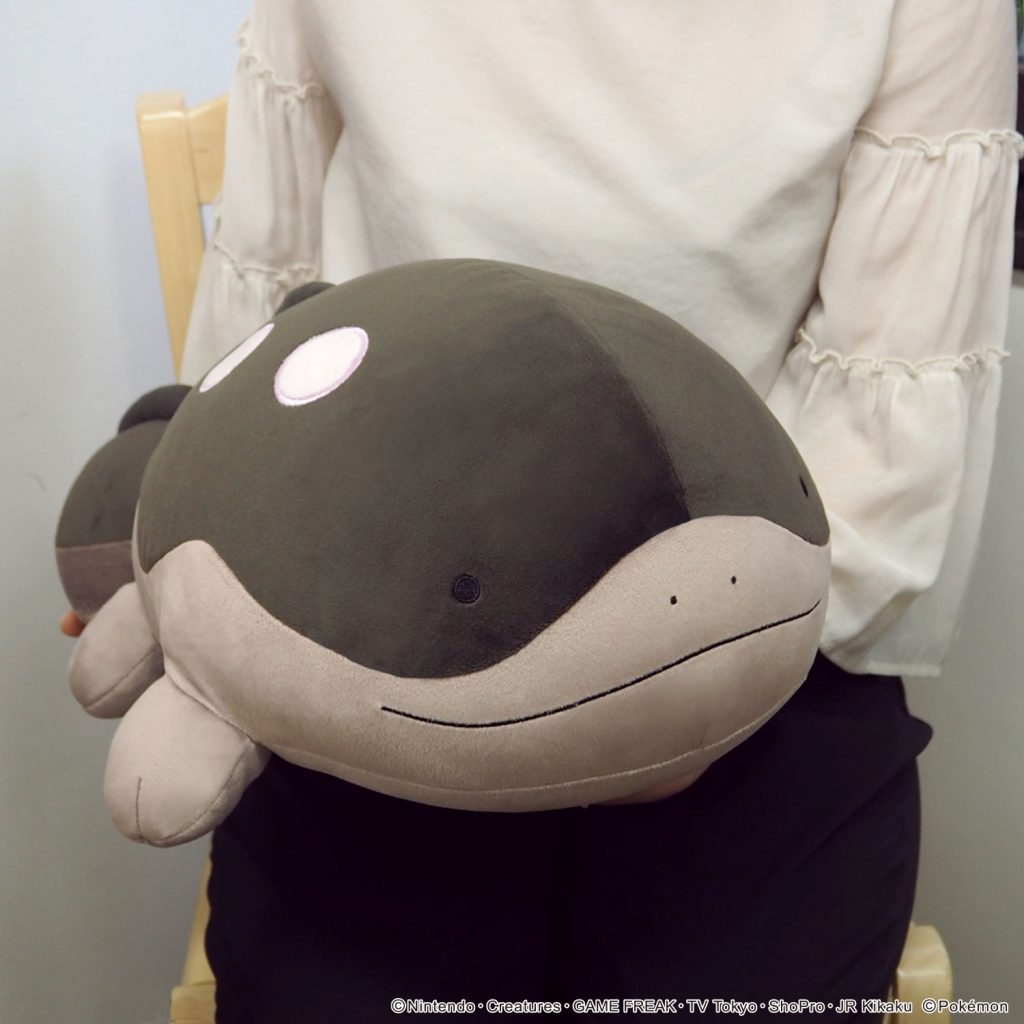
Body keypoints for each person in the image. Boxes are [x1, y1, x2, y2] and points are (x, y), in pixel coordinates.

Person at [100, 2, 1024, 1020]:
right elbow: (270, 291)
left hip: (743, 610)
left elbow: (889, 422)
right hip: (361, 595)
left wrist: (675, 672)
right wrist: (189, 555)